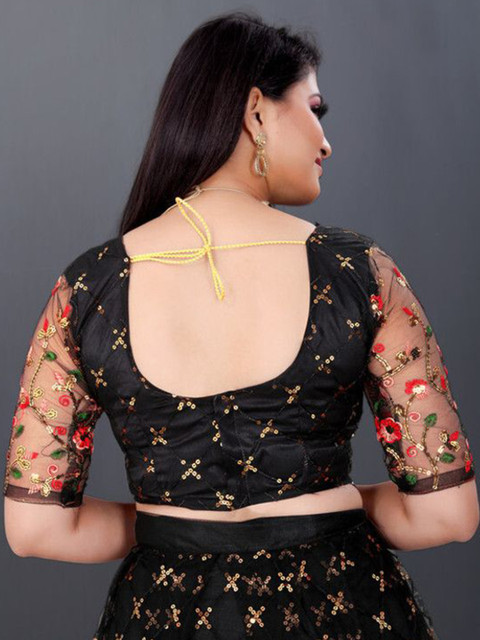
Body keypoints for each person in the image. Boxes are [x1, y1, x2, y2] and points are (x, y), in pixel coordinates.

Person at [3, 10, 478, 640]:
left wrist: (170, 520)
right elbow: (446, 515)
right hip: (344, 608)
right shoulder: (360, 271)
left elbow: (36, 529)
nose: (325, 142)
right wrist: (321, 507)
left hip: (162, 616)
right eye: (315, 108)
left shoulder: (86, 289)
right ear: (256, 112)